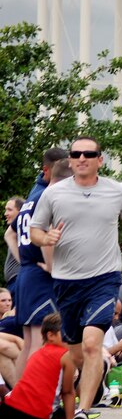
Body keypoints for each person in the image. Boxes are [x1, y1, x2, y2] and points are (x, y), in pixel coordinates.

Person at [29, 136, 122, 419]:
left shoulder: (117, 190)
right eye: (75, 154)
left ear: (99, 160)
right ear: (70, 160)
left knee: (93, 344)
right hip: (66, 281)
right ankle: (97, 377)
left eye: (88, 154)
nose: (81, 159)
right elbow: (34, 231)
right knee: (77, 353)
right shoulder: (54, 194)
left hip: (104, 277)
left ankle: (82, 411)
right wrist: (45, 239)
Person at [6, 157, 73, 377]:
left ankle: (17, 396)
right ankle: (31, 398)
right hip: (40, 277)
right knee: (39, 341)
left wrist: (24, 259)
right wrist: (53, 268)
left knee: (28, 342)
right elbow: (48, 235)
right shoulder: (50, 198)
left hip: (25, 273)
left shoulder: (31, 198)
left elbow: (10, 233)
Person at [0, 312, 76, 419]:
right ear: (51, 335)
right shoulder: (66, 356)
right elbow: (68, 392)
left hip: (9, 412)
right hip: (36, 417)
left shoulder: (35, 354)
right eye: (67, 333)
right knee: (65, 417)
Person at [3, 196, 24, 298]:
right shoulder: (16, 231)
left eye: (9, 210)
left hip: (19, 280)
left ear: (21, 211)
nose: (5, 213)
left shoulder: (23, 232)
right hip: (13, 283)